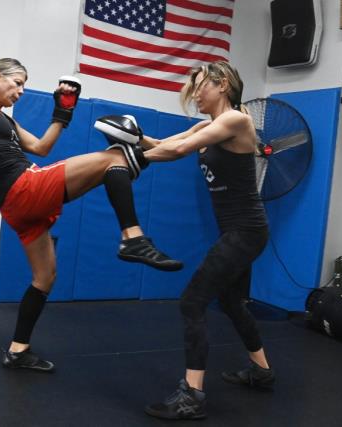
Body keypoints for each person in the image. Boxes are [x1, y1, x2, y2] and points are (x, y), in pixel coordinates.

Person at [0, 58, 182, 373]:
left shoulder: (7, 120)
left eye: (25, 85)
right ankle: (133, 239)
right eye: (17, 83)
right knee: (115, 157)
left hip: (17, 205)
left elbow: (41, 148)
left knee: (45, 277)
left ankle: (18, 350)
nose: (21, 90)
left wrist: (63, 112)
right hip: (24, 188)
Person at [135, 61, 274, 420]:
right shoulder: (210, 125)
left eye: (200, 86)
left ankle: (192, 396)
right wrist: (132, 138)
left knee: (192, 302)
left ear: (222, 85)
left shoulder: (237, 121)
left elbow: (176, 153)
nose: (196, 94)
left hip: (247, 231)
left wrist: (128, 161)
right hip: (237, 232)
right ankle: (261, 371)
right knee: (229, 301)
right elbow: (164, 144)